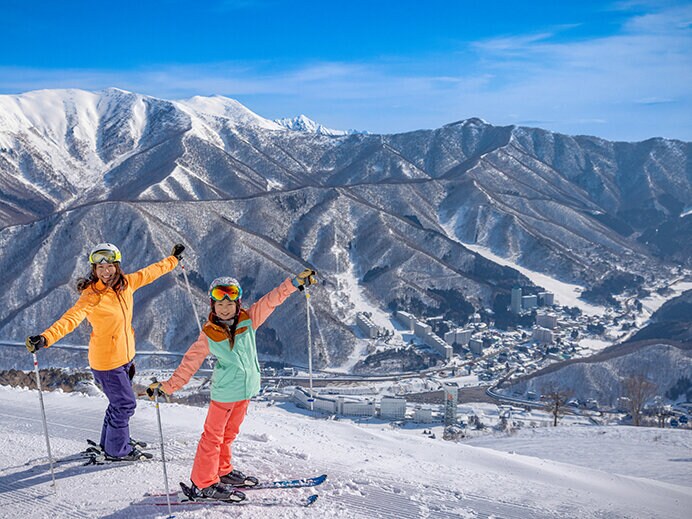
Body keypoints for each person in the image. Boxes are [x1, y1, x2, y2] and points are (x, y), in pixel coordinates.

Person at [147, 268, 317, 501]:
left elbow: (272, 300)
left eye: (230, 303)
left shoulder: (249, 319)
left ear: (238, 303)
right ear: (212, 306)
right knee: (212, 438)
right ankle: (203, 483)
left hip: (245, 391)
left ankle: (222, 471)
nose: (225, 308)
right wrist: (167, 387)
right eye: (219, 304)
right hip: (224, 393)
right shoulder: (209, 334)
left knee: (229, 435)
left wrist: (295, 283)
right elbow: (190, 364)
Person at [25, 242, 185, 461]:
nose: (105, 271)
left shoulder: (127, 284)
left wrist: (173, 260)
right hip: (107, 362)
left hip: (125, 359)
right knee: (125, 404)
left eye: (109, 266)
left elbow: (151, 272)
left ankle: (111, 442)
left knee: (118, 403)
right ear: (94, 270)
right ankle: (117, 451)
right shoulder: (92, 296)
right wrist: (45, 338)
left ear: (117, 266)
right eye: (100, 268)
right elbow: (71, 319)